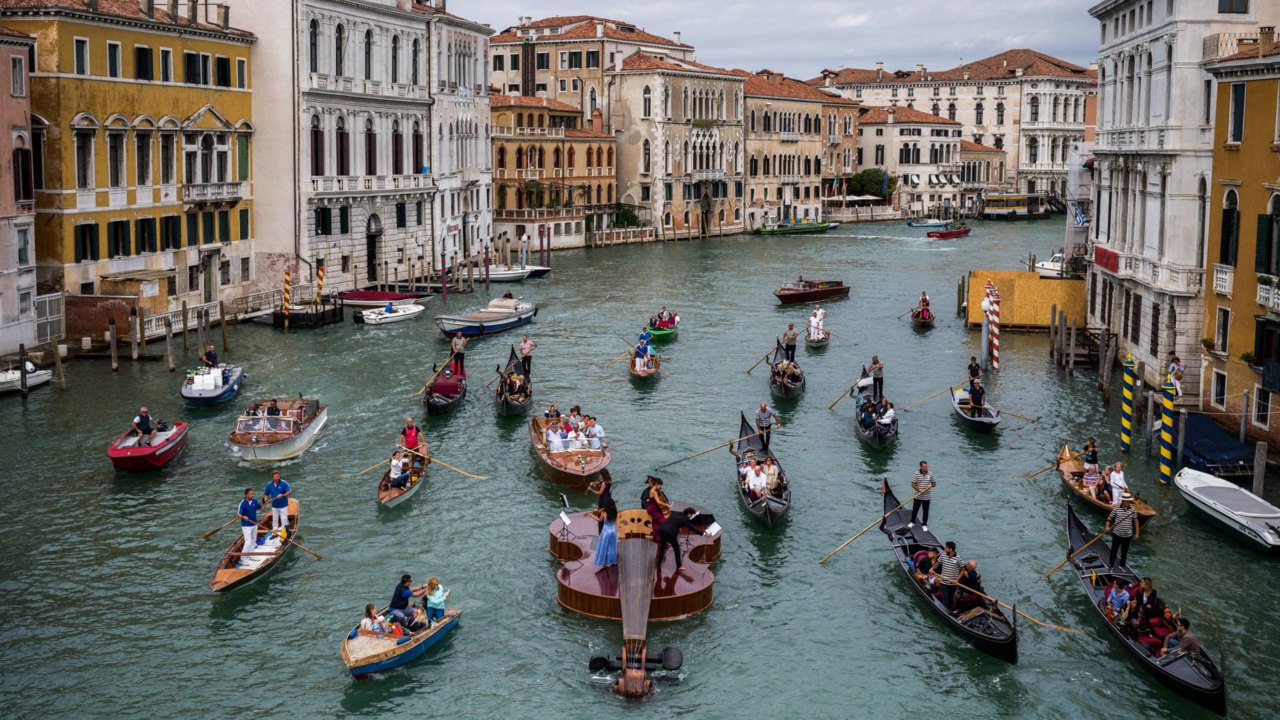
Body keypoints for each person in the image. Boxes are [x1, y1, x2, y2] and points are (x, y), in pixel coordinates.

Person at [656, 507, 710, 573]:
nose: (691, 517)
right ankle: (679, 566)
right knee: (676, 549)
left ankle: (659, 562)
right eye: (692, 515)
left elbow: (674, 521)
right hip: (670, 533)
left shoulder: (676, 513)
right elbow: (692, 528)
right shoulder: (685, 519)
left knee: (663, 547)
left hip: (661, 530)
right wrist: (704, 534)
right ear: (689, 514)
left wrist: (678, 527)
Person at [1105, 492, 1140, 569]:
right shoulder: (1116, 509)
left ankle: (1122, 565)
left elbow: (1136, 522)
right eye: (1126, 501)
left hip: (1127, 535)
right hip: (1116, 534)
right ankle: (1111, 564)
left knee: (1124, 552)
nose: (1128, 502)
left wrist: (1137, 533)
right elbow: (1109, 518)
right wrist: (1107, 527)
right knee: (1114, 550)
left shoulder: (1133, 511)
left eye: (1129, 501)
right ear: (1123, 501)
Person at [932, 541, 965, 610]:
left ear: (951, 549)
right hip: (944, 582)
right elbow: (937, 563)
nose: (944, 549)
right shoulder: (943, 555)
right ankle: (945, 611)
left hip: (953, 583)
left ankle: (950, 610)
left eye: (946, 548)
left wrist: (957, 579)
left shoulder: (958, 558)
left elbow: (962, 570)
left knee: (951, 598)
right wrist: (932, 568)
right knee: (945, 598)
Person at [591, 499, 619, 568]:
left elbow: (599, 520)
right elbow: (616, 522)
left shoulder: (604, 512)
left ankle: (605, 562)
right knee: (612, 547)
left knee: (605, 547)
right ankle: (613, 561)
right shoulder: (615, 512)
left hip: (606, 531)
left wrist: (591, 515)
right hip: (613, 530)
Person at [909, 461, 936, 532]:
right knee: (915, 510)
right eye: (924, 466)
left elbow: (934, 483)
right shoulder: (916, 474)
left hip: (927, 497)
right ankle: (912, 522)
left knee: (925, 511)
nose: (926, 467)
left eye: (926, 466)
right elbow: (913, 484)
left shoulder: (930, 474)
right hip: (917, 496)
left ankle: (924, 524)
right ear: (921, 467)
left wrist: (931, 485)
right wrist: (919, 489)